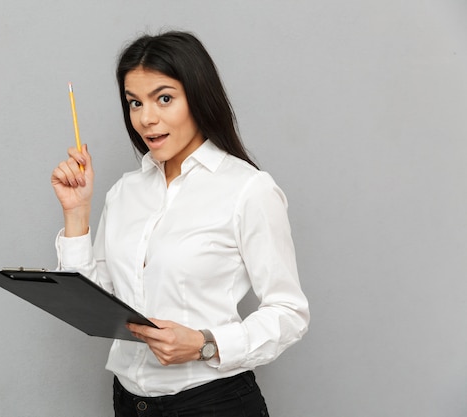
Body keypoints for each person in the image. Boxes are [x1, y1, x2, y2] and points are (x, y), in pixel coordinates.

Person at [51, 30, 309, 417]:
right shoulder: (124, 192)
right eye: (134, 103)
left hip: (211, 403)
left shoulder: (248, 190)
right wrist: (76, 213)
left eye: (164, 98)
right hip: (128, 400)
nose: (146, 119)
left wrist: (206, 343)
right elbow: (98, 301)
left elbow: (290, 312)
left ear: (199, 97)